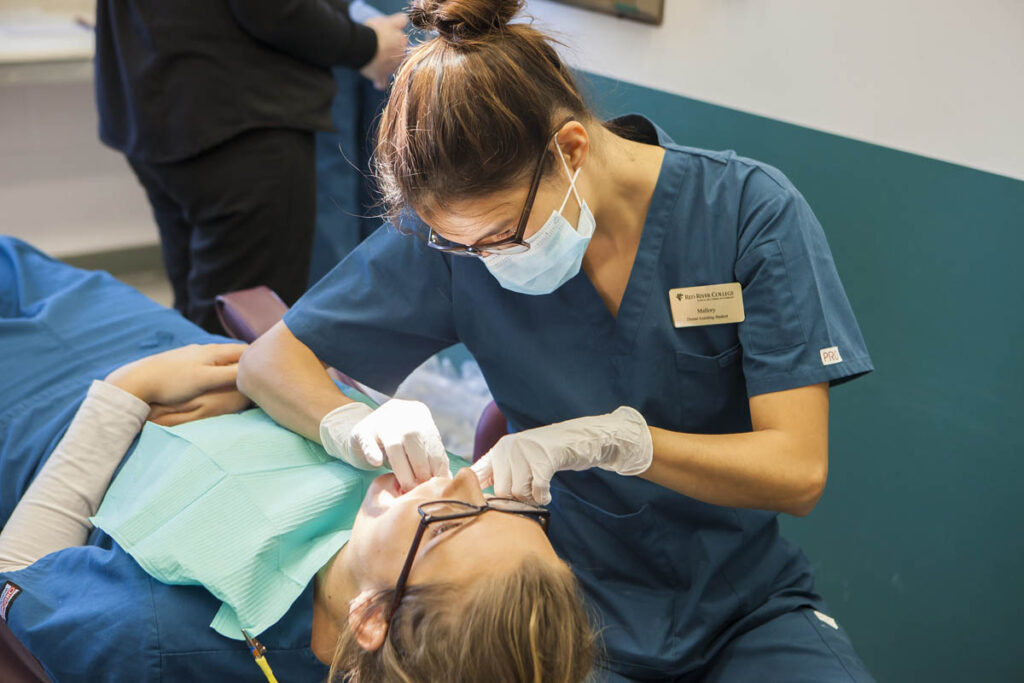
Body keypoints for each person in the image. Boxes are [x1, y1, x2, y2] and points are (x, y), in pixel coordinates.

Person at [237, 0, 879, 680]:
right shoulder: (457, 245)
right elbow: (270, 359)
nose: (487, 262)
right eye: (464, 247)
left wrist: (626, 442)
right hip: (566, 612)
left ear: (571, 149)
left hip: (744, 609)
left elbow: (798, 470)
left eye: (503, 238)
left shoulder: (747, 214)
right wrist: (357, 425)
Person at [0, 237, 595, 682]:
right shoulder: (423, 546)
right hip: (181, 352)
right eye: (499, 505)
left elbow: (13, 588)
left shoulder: (147, 637)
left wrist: (123, 396)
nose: (465, 478)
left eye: (450, 521)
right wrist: (293, 393)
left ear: (370, 620)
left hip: (51, 418)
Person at [93, 0, 410, 333]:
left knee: (200, 316)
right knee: (239, 332)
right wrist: (366, 45)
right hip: (239, 123)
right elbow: (273, 10)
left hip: (161, 108)